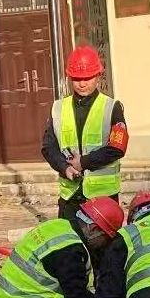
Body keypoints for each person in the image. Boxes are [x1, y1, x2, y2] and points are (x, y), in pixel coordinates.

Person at [42, 46, 128, 223]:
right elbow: (48, 147)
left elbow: (117, 148)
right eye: (77, 78)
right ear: (69, 78)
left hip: (103, 198)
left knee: (104, 242)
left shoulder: (112, 107)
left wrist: (83, 162)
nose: (82, 84)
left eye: (87, 78)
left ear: (98, 76)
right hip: (70, 197)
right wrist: (65, 167)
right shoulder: (58, 108)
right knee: (69, 241)